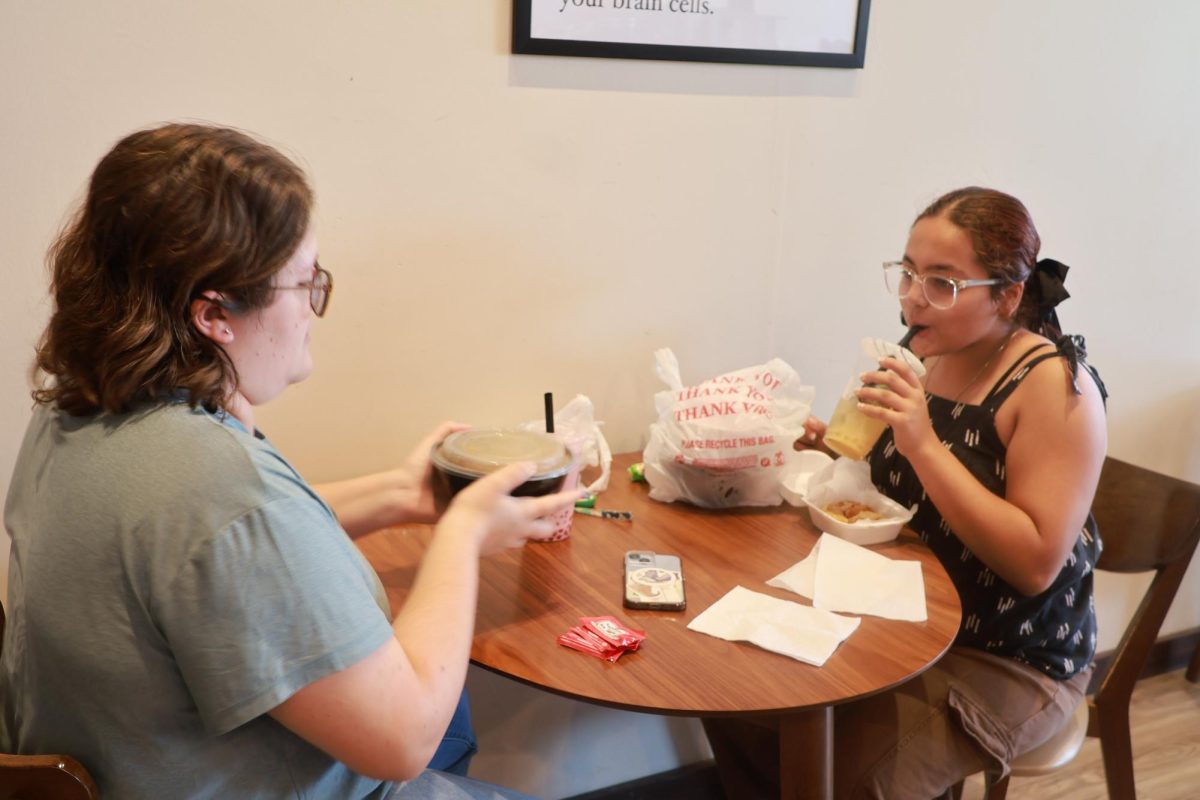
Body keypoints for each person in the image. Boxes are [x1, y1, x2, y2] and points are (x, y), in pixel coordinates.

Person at [0, 122, 581, 799]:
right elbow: (403, 737)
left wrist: (401, 492)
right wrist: (463, 535)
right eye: (304, 284)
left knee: (455, 712)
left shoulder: (80, 410)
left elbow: (216, 556)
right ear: (214, 314)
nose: (313, 308)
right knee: (441, 720)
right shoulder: (216, 488)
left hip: (132, 755)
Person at [708, 187, 1108, 799]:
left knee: (858, 778)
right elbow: (900, 489)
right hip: (906, 616)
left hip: (1011, 653)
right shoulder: (928, 352)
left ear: (1007, 294)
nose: (913, 299)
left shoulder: (1054, 387)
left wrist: (922, 442)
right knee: (738, 695)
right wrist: (827, 446)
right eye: (908, 274)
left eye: (942, 284)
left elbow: (1034, 564)